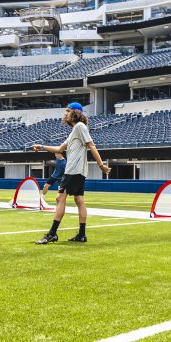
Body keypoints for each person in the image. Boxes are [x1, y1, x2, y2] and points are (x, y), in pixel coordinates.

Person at [31, 102, 111, 244]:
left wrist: (101, 165)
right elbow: (59, 149)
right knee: (79, 200)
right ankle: (81, 234)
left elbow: (91, 145)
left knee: (59, 198)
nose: (65, 114)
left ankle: (52, 234)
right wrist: (42, 146)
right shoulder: (75, 130)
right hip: (77, 171)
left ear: (76, 113)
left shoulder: (80, 127)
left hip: (73, 170)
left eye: (68, 111)